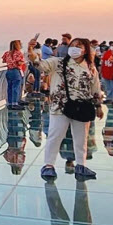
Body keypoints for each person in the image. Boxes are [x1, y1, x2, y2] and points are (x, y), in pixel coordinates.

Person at [28, 37, 103, 180]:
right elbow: (39, 65)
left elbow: (95, 88)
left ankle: (81, 165)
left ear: (85, 49)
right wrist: (31, 51)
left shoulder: (90, 68)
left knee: (81, 138)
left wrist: (98, 106)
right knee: (55, 136)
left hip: (82, 106)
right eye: (72, 45)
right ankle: (48, 165)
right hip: (60, 106)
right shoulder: (59, 62)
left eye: (79, 46)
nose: (74, 48)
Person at [2, 40, 25, 109]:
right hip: (16, 71)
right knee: (16, 88)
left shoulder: (7, 53)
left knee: (10, 88)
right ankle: (15, 103)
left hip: (9, 71)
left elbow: (3, 61)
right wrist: (22, 63)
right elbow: (19, 63)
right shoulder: (18, 53)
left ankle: (10, 103)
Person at [101, 41, 113, 107]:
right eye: (111, 45)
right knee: (108, 87)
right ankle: (109, 98)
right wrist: (101, 70)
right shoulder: (107, 53)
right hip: (106, 72)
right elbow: (103, 61)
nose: (112, 47)